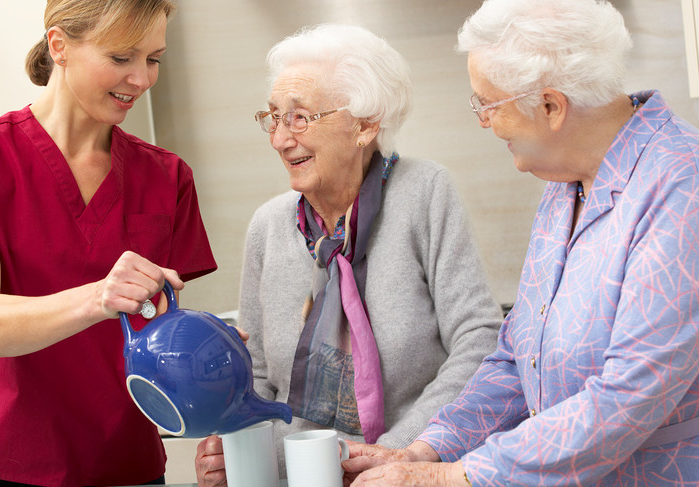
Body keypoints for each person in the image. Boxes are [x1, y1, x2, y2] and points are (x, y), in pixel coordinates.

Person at [343, 0, 699, 485]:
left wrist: (453, 478)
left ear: (550, 105)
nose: (483, 122)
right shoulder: (565, 184)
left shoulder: (687, 181)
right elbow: (518, 356)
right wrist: (427, 450)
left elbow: (630, 394)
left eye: (487, 104)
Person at [0, 1, 217, 485]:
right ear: (59, 45)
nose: (141, 78)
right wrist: (99, 297)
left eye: (153, 59)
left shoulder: (167, 176)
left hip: (122, 463)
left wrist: (206, 350)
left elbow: (157, 337)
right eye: (121, 58)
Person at [194, 23, 503, 486]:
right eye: (274, 118)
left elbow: (478, 342)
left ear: (365, 125)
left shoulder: (424, 193)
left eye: (300, 118)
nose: (279, 139)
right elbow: (254, 379)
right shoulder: (268, 226)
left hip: (409, 474)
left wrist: (401, 454)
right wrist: (235, 452)